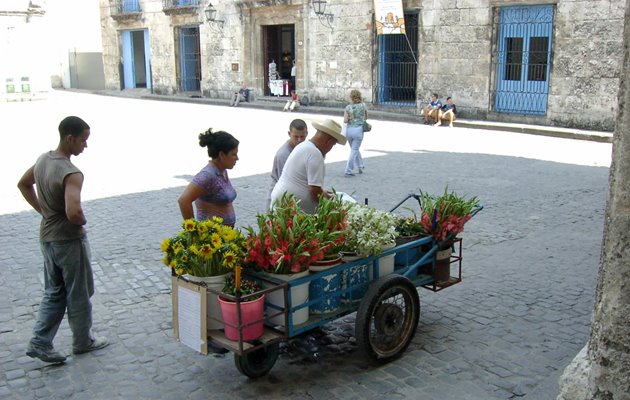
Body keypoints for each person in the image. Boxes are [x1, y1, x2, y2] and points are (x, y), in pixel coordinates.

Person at [17, 116, 109, 364]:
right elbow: (73, 211)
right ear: (70, 138)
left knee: (54, 291)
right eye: (83, 140)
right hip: (68, 240)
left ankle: (40, 341)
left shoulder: (43, 160)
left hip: (47, 237)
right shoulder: (72, 172)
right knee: (78, 291)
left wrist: (44, 211)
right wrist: (82, 222)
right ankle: (82, 341)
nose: (85, 146)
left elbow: (23, 184)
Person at [270, 119, 347, 214]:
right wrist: (331, 206)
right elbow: (315, 191)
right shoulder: (315, 153)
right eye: (333, 145)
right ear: (329, 142)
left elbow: (309, 183)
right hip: (287, 208)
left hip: (283, 203)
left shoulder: (304, 146)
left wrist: (324, 194)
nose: (331, 148)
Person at [178, 128, 239, 227]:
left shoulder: (223, 171)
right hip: (211, 237)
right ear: (221, 155)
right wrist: (194, 230)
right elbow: (183, 200)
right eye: (234, 154)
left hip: (225, 236)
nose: (237, 158)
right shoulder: (207, 175)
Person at [266, 119, 308, 209]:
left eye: (302, 136)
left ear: (307, 134)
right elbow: (287, 182)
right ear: (289, 134)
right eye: (296, 136)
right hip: (280, 199)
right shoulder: (284, 154)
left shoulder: (303, 148)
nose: (299, 140)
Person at [343, 89, 368, 177]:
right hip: (358, 130)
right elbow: (366, 117)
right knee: (354, 149)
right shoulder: (363, 106)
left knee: (354, 149)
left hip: (349, 130)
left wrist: (351, 118)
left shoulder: (348, 107)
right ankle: (348, 170)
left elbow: (345, 120)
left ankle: (360, 166)